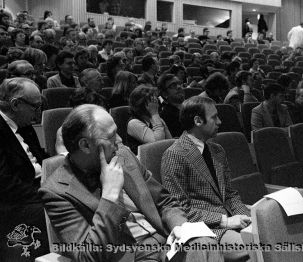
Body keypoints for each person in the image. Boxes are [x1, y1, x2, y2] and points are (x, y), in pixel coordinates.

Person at [40, 104, 223, 262]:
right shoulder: (56, 191)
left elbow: (164, 201)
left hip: (167, 242)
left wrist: (180, 226)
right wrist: (110, 197)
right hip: (130, 256)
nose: (119, 140)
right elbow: (88, 256)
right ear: (85, 145)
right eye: (111, 137)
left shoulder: (124, 154)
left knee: (204, 244)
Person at [161, 96, 251, 262]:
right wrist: (226, 221)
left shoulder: (217, 150)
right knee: (257, 246)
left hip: (232, 219)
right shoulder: (174, 155)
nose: (220, 121)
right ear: (197, 121)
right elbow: (180, 209)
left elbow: (230, 194)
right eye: (214, 117)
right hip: (207, 229)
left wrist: (248, 218)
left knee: (270, 230)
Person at [0, 78, 49, 260]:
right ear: (15, 104)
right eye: (35, 107)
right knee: (64, 207)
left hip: (38, 185)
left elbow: (41, 159)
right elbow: (5, 184)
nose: (38, 113)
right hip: (15, 201)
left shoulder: (24, 126)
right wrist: (46, 193)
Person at [127, 85, 172, 154]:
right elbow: (158, 144)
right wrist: (154, 114)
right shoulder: (133, 123)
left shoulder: (155, 118)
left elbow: (170, 142)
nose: (156, 103)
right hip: (143, 162)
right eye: (152, 100)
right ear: (142, 104)